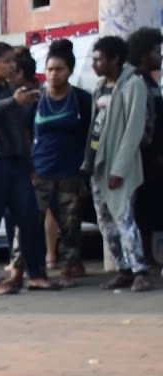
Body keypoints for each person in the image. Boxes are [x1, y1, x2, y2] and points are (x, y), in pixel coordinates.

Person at [0, 40, 64, 295]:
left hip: (16, 163)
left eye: (13, 61)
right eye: (6, 61)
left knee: (29, 218)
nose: (11, 66)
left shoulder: (9, 88)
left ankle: (36, 274)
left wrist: (30, 164)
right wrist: (13, 102)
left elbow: (20, 132)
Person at [85, 34, 152, 292]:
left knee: (124, 218)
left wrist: (119, 168)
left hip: (118, 165)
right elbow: (94, 129)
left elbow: (133, 130)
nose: (95, 65)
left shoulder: (132, 84)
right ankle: (122, 268)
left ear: (115, 59)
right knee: (105, 222)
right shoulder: (100, 89)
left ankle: (140, 271)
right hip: (98, 164)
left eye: (100, 59)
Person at [28, 40, 93, 283]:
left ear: (70, 71)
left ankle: (71, 263)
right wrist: (29, 166)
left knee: (70, 221)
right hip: (40, 170)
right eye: (50, 69)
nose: (54, 74)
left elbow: (92, 134)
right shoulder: (36, 101)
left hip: (71, 170)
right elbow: (26, 134)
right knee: (32, 218)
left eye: (59, 69)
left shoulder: (82, 99)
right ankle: (31, 265)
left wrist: (87, 163)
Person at [128, 27, 163, 271]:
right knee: (143, 207)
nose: (159, 56)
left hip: (154, 152)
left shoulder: (150, 79)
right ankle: (145, 256)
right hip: (145, 153)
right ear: (143, 53)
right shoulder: (136, 80)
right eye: (156, 51)